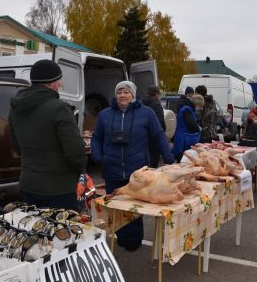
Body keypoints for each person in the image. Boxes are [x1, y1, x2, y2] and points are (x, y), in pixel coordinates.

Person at [91, 81, 174, 250]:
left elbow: (159, 135)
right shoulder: (105, 114)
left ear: (133, 95)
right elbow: (96, 137)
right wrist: (98, 156)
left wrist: (169, 159)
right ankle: (121, 236)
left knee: (134, 208)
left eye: (126, 92)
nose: (122, 95)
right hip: (112, 169)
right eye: (119, 92)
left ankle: (134, 239)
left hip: (137, 174)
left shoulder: (147, 113)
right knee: (116, 206)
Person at [9, 59, 87, 210]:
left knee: (34, 229)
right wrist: (81, 169)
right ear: (52, 83)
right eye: (59, 80)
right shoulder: (59, 108)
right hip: (59, 188)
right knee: (62, 231)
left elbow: (16, 146)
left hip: (28, 184)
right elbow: (74, 150)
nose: (60, 84)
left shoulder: (15, 108)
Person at [172, 94, 204, 162]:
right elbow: (192, 125)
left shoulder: (187, 109)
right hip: (183, 141)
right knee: (183, 163)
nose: (200, 108)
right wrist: (198, 128)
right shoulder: (187, 110)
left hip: (183, 138)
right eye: (200, 106)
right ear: (196, 104)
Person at [143, 85, 166, 168]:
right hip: (154, 136)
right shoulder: (156, 104)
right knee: (154, 158)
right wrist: (162, 132)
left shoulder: (142, 103)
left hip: (143, 135)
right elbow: (160, 121)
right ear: (156, 94)